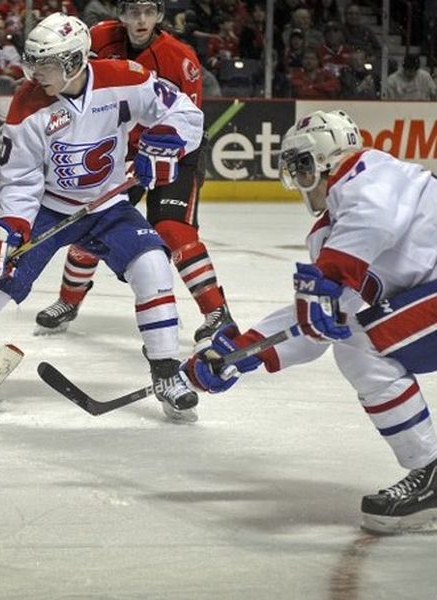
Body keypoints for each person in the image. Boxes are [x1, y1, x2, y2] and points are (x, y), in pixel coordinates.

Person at [0, 13, 206, 423]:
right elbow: (20, 179)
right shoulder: (28, 104)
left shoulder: (124, 78)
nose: (34, 73)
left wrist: (165, 142)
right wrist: (11, 226)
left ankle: (167, 374)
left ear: (74, 62)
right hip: (48, 209)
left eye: (44, 64)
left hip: (106, 206)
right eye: (31, 62)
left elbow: (185, 113)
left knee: (153, 264)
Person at [183, 109, 437, 534]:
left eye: (299, 168)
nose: (297, 181)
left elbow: (374, 219)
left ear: (316, 161)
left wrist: (331, 280)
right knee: (357, 341)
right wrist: (238, 351)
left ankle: (430, 474)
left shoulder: (369, 172)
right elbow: (323, 321)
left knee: (363, 347)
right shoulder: (329, 232)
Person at [34, 0, 235, 345]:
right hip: (119, 149)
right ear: (121, 14)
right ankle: (68, 301)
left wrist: (162, 150)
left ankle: (217, 312)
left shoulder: (179, 58)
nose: (140, 20)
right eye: (132, 12)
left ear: (159, 16)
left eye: (148, 12)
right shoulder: (97, 39)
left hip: (174, 151)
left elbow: (189, 121)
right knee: (95, 220)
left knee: (173, 229)